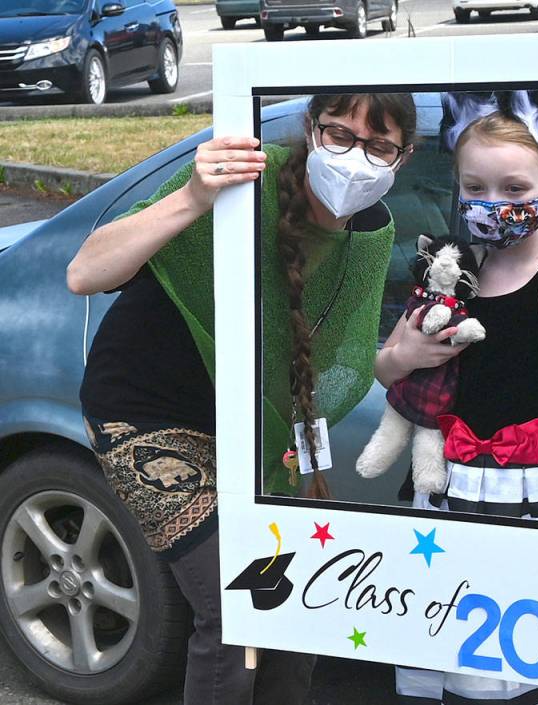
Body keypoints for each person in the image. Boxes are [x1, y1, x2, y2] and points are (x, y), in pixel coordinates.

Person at [66, 92, 417, 705]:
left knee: (301, 606)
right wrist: (192, 197)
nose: (355, 159)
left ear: (402, 159)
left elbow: (337, 361)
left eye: (378, 146)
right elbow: (84, 273)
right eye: (339, 135)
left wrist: (401, 360)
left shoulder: (370, 231)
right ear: (312, 129)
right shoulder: (240, 174)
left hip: (251, 431)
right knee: (235, 609)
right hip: (149, 415)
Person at [376, 94, 538, 704]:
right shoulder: (450, 266)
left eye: (513, 185)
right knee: (469, 666)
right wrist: (409, 356)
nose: (493, 201)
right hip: (459, 490)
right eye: (476, 186)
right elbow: (386, 366)